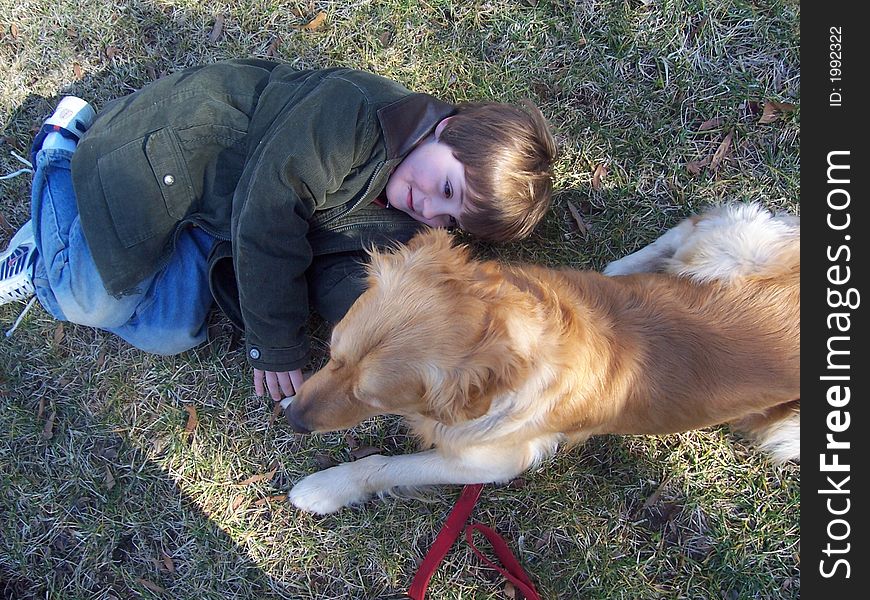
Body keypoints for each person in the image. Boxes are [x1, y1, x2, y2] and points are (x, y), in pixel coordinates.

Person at [0, 59, 556, 401]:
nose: (431, 206)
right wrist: (276, 344)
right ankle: (60, 150)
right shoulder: (357, 113)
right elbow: (269, 215)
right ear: (449, 130)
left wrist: (376, 323)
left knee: (171, 333)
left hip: (215, 225)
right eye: (449, 187)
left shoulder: (406, 222)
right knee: (85, 300)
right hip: (174, 160)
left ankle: (74, 251)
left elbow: (342, 273)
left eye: (450, 218)